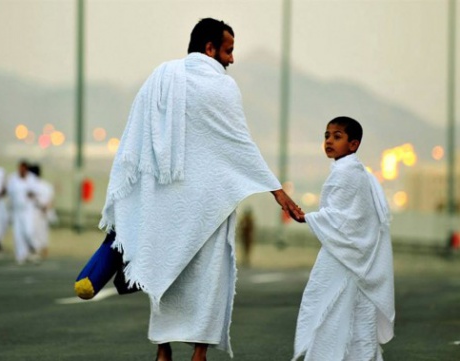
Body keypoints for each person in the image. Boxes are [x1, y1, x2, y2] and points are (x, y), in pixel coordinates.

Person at [99, 18, 303, 360]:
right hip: (209, 204)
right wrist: (277, 191)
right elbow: (239, 144)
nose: (232, 60)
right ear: (210, 49)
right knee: (208, 279)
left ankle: (163, 351)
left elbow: (137, 140)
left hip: (164, 202)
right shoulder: (222, 87)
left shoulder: (160, 78)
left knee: (166, 271)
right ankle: (198, 354)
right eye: (228, 50)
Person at [292, 116, 395, 361]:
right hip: (354, 255)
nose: (329, 141)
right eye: (327, 135)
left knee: (330, 311)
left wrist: (308, 218)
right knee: (356, 315)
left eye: (337, 136)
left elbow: (345, 219)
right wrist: (313, 218)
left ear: (353, 144)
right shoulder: (353, 170)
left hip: (344, 256)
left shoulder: (347, 173)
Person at [6, 160, 40, 265]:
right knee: (18, 233)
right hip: (17, 210)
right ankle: (21, 255)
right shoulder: (13, 178)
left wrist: (30, 193)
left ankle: (33, 247)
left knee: (28, 231)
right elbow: (9, 192)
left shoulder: (32, 178)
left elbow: (35, 192)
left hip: (27, 210)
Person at [29, 163, 56, 260]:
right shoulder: (46, 185)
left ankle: (37, 250)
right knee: (43, 231)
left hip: (36, 211)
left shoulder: (33, 185)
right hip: (43, 211)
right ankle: (42, 249)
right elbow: (51, 200)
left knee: (36, 231)